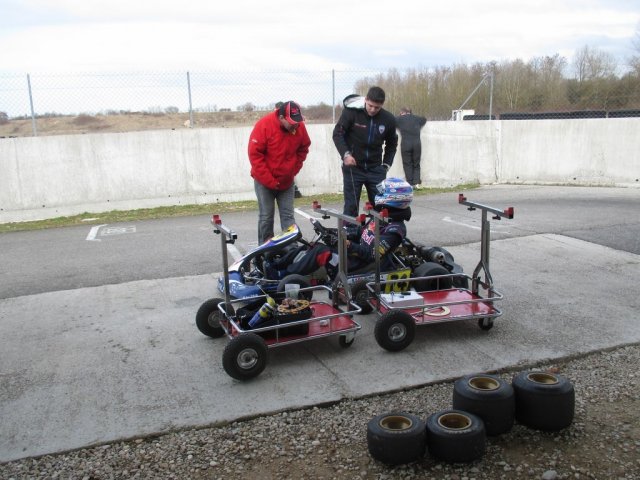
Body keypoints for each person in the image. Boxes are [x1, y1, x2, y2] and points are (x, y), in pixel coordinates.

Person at [282, 178, 413, 277]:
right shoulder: (381, 217)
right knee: (311, 245)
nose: (377, 193)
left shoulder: (394, 230)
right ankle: (277, 267)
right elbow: (360, 232)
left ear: (393, 198)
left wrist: (346, 243)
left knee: (321, 252)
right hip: (354, 256)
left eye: (382, 192)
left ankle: (285, 276)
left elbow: (371, 254)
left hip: (360, 264)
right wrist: (334, 232)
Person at [248, 101, 311, 244]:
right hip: (264, 182)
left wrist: (294, 169)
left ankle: (291, 249)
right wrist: (270, 181)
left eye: (297, 122)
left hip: (286, 181)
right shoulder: (264, 125)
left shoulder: (299, 126)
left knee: (288, 216)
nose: (295, 125)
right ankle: (264, 250)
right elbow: (255, 155)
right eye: (292, 123)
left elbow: (304, 147)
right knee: (266, 217)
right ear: (281, 117)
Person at [333, 86, 398, 217]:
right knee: (351, 206)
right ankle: (350, 235)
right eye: (370, 105)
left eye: (377, 107)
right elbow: (337, 134)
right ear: (366, 100)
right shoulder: (351, 113)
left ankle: (376, 234)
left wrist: (386, 165)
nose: (373, 110)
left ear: (382, 105)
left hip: (376, 169)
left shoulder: (388, 119)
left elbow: (392, 144)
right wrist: (346, 155)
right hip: (353, 168)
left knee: (379, 206)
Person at [395, 107, 427, 189]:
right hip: (417, 143)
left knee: (407, 164)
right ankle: (416, 183)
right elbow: (424, 119)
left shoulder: (399, 119)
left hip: (405, 143)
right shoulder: (417, 118)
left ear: (402, 112)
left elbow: (392, 121)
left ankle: (410, 183)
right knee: (416, 164)